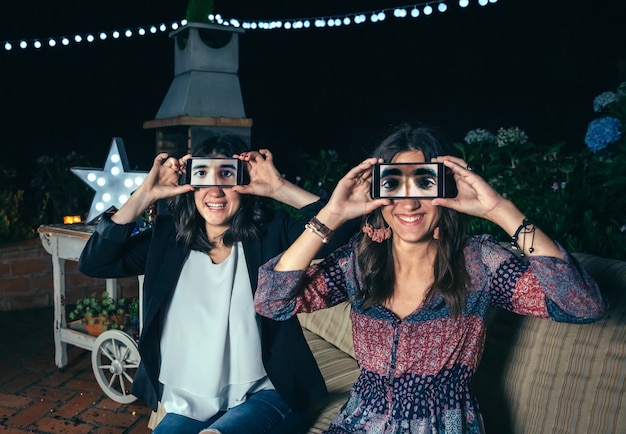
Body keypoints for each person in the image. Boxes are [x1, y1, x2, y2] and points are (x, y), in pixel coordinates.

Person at [254, 124, 608, 433]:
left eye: (423, 184)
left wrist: (501, 210)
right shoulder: (360, 263)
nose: (408, 205)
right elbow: (273, 302)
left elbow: (581, 306)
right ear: (377, 195)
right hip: (357, 424)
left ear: (446, 190)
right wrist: (331, 213)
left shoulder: (478, 262)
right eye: (393, 185)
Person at [78, 135, 356, 434]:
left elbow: (346, 234)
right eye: (202, 175)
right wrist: (145, 194)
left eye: (226, 175)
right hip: (195, 400)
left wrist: (280, 189)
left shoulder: (270, 232)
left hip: (270, 389)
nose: (215, 191)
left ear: (244, 182)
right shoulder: (169, 239)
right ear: (189, 183)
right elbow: (95, 262)